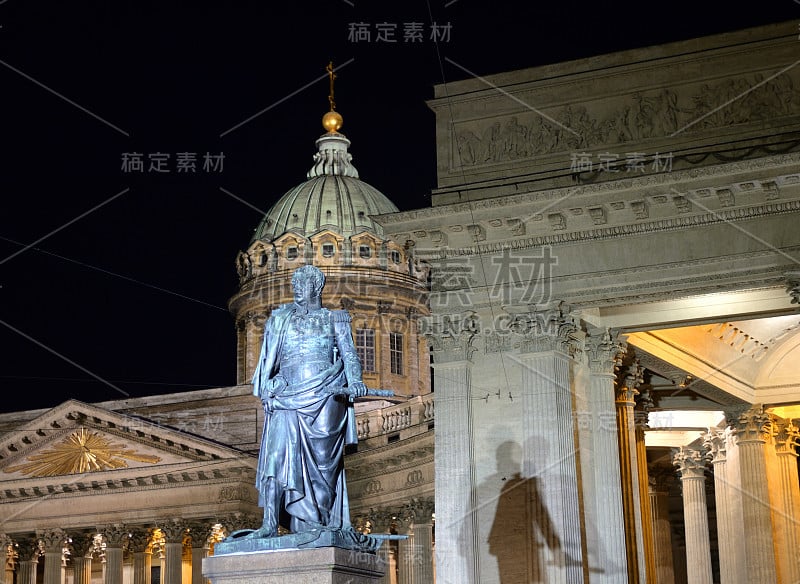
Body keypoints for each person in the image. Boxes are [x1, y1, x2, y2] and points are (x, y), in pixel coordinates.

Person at [249, 265, 368, 540]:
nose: (296, 288)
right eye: (293, 284)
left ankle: (318, 519)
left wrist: (356, 381)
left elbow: (349, 354)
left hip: (326, 392)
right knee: (275, 458)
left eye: (301, 284)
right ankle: (269, 522)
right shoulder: (279, 318)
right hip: (287, 395)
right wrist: (270, 383)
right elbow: (268, 363)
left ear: (316, 286)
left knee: (323, 462)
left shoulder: (334, 318)